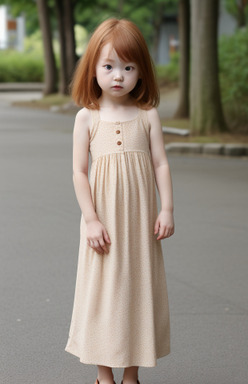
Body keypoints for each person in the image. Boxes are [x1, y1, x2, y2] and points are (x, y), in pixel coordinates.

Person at [65, 18, 175, 384]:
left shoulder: (147, 115)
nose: (118, 76)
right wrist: (90, 219)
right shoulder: (87, 118)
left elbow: (160, 162)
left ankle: (131, 373)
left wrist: (167, 208)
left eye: (128, 67)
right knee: (103, 291)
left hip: (139, 222)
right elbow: (80, 172)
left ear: (141, 71)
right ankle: (103, 373)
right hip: (104, 223)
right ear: (93, 68)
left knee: (137, 290)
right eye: (109, 66)